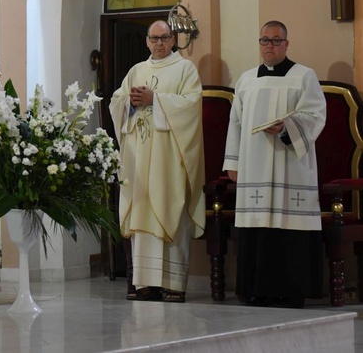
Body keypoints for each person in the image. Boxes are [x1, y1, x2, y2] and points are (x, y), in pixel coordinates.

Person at [223, 20, 326, 308]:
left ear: (286, 44)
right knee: (257, 228)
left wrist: (286, 127)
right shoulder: (245, 80)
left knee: (288, 228)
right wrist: (233, 161)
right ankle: (258, 290)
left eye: (276, 41)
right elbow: (235, 123)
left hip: (290, 163)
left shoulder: (304, 76)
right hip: (254, 164)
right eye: (265, 41)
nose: (270, 46)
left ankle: (291, 292)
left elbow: (315, 115)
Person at [109, 20, 205, 303]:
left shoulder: (185, 69)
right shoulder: (137, 70)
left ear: (173, 40)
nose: (159, 43)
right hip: (139, 155)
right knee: (142, 211)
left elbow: (191, 105)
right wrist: (130, 102)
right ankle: (145, 283)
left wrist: (156, 100)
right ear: (147, 41)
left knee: (169, 206)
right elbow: (116, 102)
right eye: (154, 38)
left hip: (169, 157)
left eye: (164, 38)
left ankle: (174, 284)